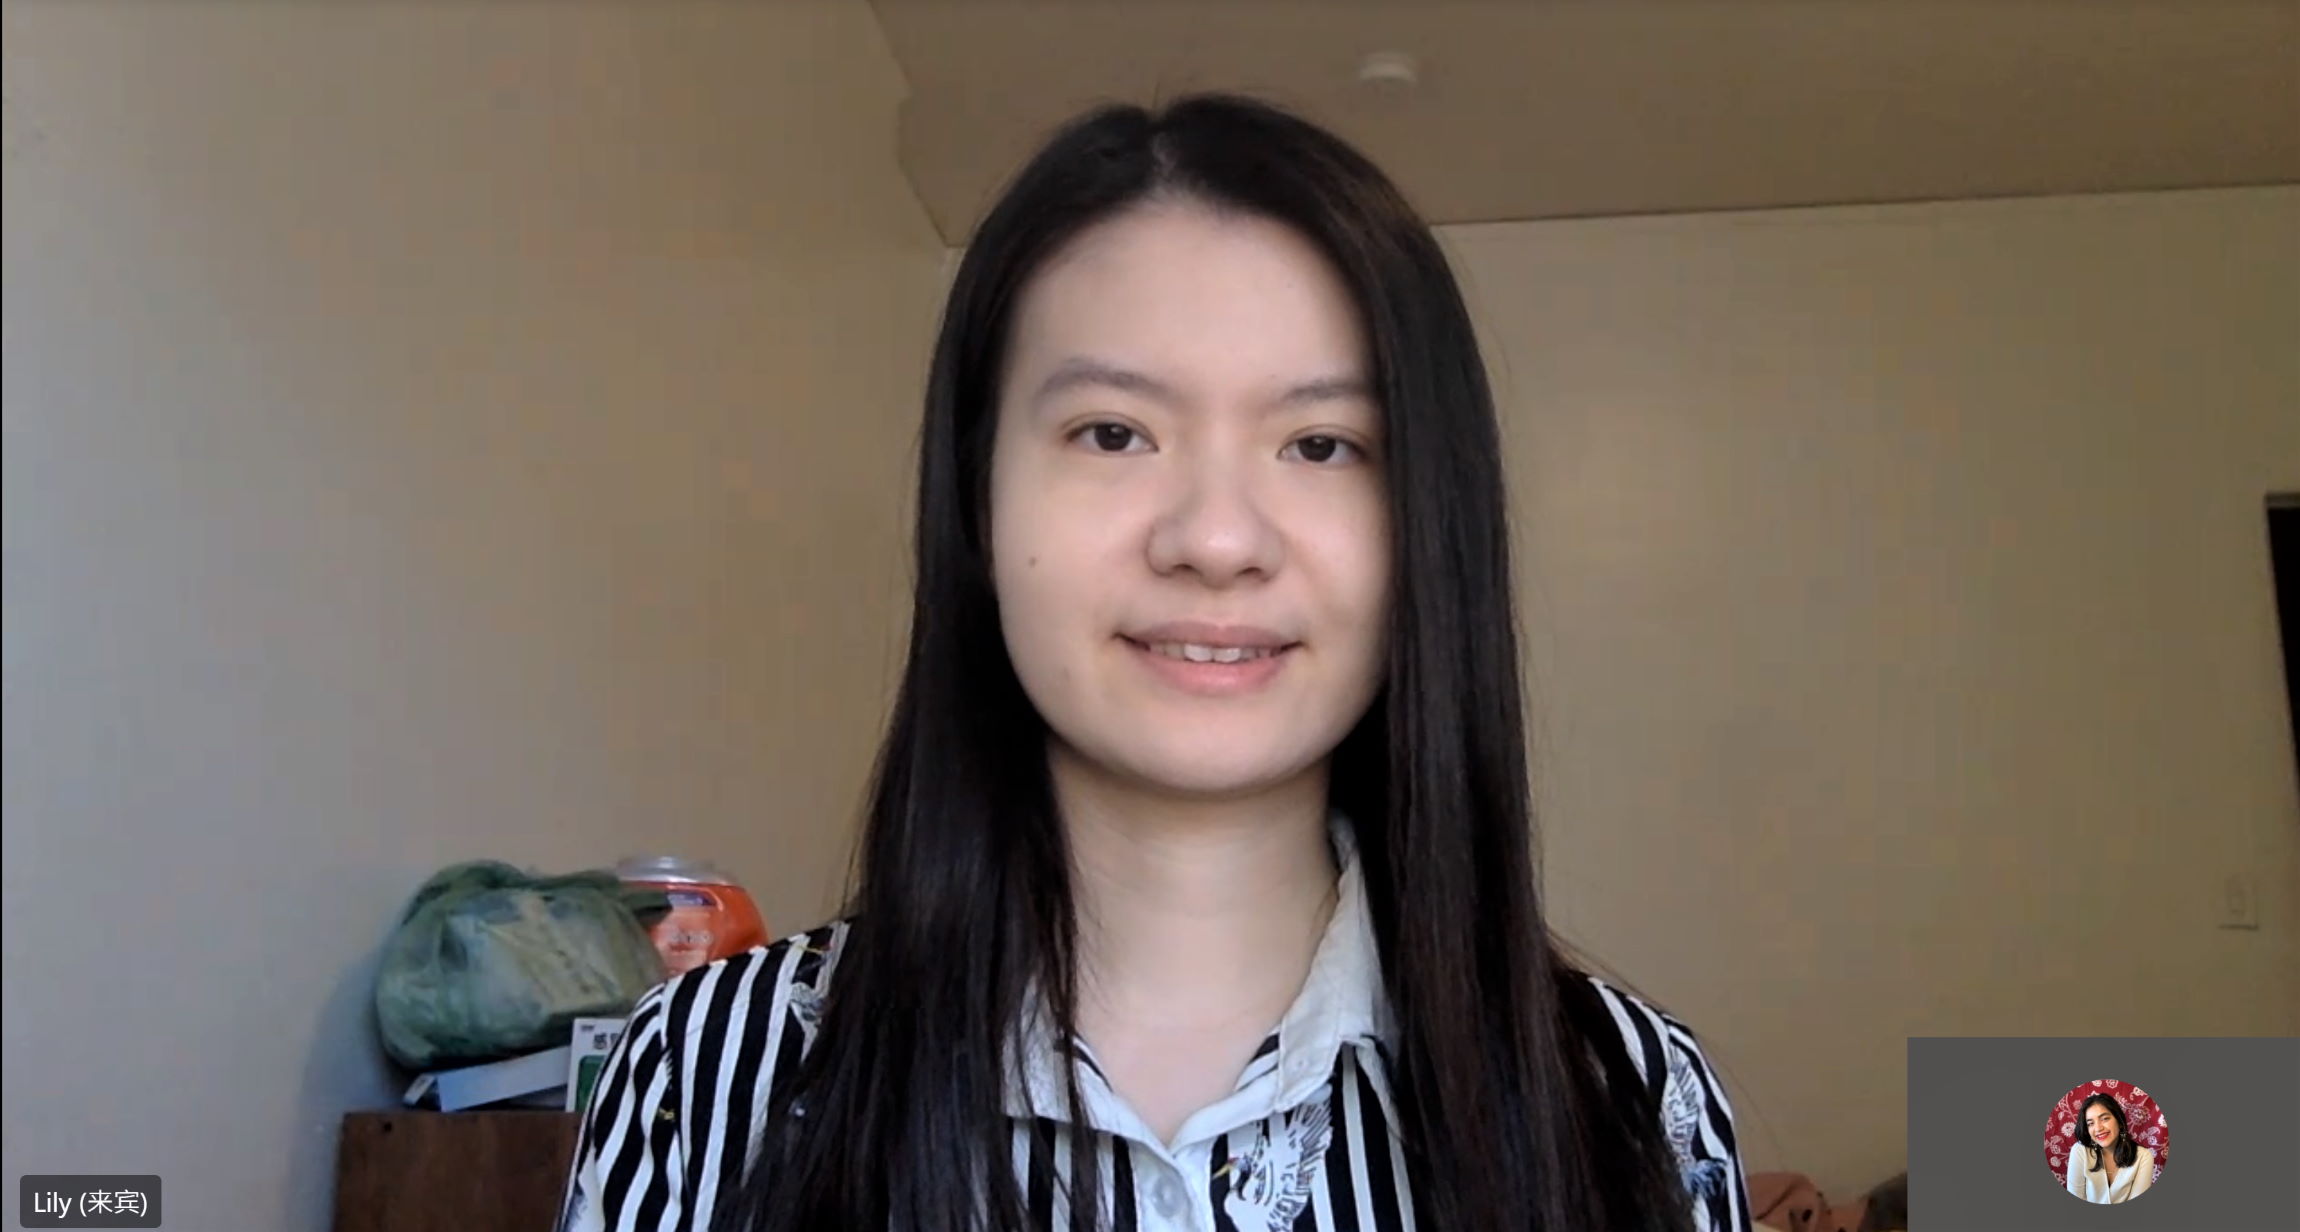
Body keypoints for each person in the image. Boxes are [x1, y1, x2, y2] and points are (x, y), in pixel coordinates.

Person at [559, 92, 1751, 1232]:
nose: (1216, 540)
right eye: (1113, 432)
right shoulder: (708, 1071)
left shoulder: (1627, 1097)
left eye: (1321, 443)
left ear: (1428, 521)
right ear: (974, 497)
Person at [2066, 1093, 2156, 1203]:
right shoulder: (2079, 1151)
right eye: (2090, 1123)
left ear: (2119, 1122)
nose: (2098, 1128)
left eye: (2104, 1119)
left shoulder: (2143, 1156)